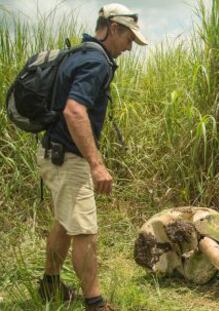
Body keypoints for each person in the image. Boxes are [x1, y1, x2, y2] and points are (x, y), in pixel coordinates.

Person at [36, 3, 147, 311]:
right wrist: (96, 165)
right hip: (68, 158)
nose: (129, 48)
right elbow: (74, 110)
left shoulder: (83, 53)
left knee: (65, 222)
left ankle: (49, 286)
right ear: (114, 28)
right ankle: (95, 303)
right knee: (85, 230)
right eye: (129, 39)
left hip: (53, 153)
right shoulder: (96, 62)